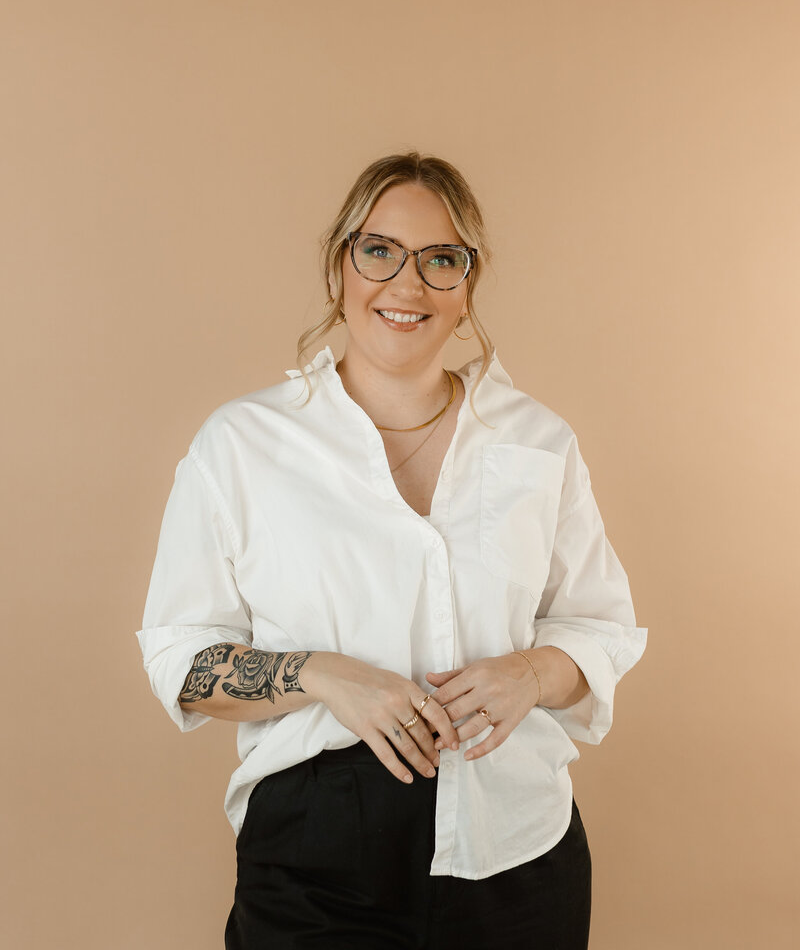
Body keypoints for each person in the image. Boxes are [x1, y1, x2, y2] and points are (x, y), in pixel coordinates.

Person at [137, 150, 647, 949]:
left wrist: (530, 673)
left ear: (467, 282)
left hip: (520, 855)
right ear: (340, 265)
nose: (407, 286)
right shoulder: (240, 445)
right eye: (379, 251)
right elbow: (181, 659)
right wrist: (320, 674)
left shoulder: (539, 442)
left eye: (441, 260)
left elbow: (602, 626)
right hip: (314, 862)